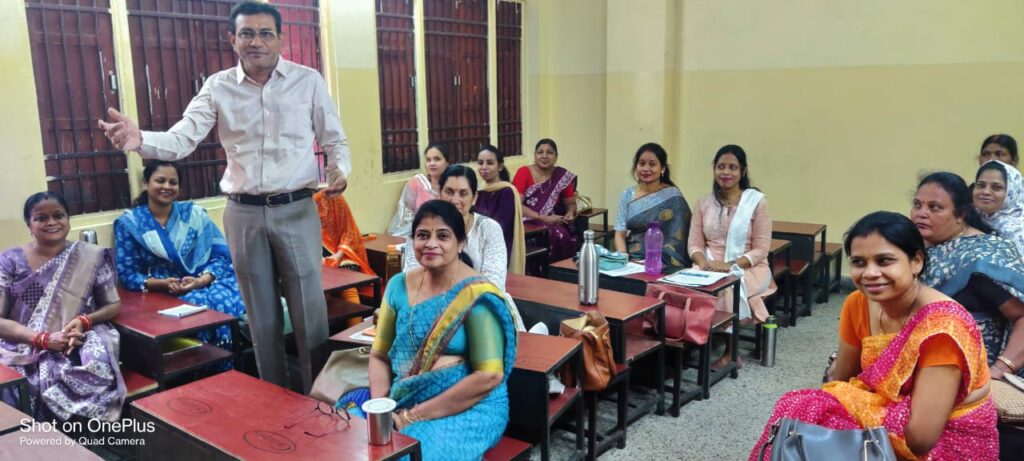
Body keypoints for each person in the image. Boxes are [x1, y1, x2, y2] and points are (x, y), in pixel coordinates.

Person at [98, 1, 350, 392]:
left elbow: (334, 139)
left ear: (281, 39)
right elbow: (183, 139)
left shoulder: (308, 80)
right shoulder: (218, 86)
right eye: (247, 33)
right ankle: (275, 397)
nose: (256, 41)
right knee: (261, 316)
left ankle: (320, 396)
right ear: (233, 39)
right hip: (243, 214)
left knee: (309, 311)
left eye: (265, 33)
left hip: (296, 208)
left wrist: (339, 169)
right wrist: (140, 139)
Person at [752, 211, 997, 461]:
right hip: (883, 425)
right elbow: (843, 379)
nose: (869, 273)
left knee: (808, 412)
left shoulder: (943, 327)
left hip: (947, 445)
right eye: (859, 262)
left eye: (884, 261)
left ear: (916, 262)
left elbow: (921, 439)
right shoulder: (858, 303)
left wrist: (858, 404)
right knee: (801, 411)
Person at [369, 200, 518, 460]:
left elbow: (489, 376)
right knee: (346, 436)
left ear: (460, 243)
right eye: (422, 235)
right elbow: (379, 355)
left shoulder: (475, 295)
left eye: (443, 236)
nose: (431, 243)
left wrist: (412, 416)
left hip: (470, 407)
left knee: (412, 455)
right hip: (402, 398)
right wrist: (383, 408)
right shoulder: (398, 286)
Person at [0, 193, 124, 421]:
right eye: (41, 218)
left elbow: (112, 304)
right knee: (16, 383)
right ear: (29, 225)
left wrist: (84, 321)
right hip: (22, 340)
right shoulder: (9, 261)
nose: (52, 222)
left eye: (58, 215)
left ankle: (79, 435)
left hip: (76, 336)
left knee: (96, 361)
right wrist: (43, 339)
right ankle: (31, 437)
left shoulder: (91, 256)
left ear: (68, 219)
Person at [114, 161, 246, 350]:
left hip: (205, 282)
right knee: (197, 305)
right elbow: (127, 274)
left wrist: (200, 281)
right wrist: (162, 283)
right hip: (159, 291)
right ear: (145, 183)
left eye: (173, 182)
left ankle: (225, 360)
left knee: (220, 300)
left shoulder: (194, 215)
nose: (167, 186)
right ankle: (208, 362)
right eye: (160, 181)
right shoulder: (130, 224)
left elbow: (222, 256)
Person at [913, 172, 1024, 380]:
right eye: (917, 205)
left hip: (975, 374)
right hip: (924, 362)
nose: (921, 213)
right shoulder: (916, 249)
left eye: (934, 207)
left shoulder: (982, 258)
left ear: (960, 215)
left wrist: (1001, 369)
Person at [688, 145, 775, 368]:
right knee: (687, 285)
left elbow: (761, 249)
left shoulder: (756, 203)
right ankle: (690, 345)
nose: (725, 172)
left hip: (749, 266)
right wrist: (704, 263)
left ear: (743, 171)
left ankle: (731, 352)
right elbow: (695, 244)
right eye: (721, 167)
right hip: (709, 262)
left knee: (728, 287)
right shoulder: (703, 203)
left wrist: (728, 265)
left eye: (732, 167)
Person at [403, 166, 508, 291]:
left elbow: (494, 282)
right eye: (449, 192)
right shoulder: (423, 227)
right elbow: (410, 276)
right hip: (429, 297)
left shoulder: (489, 229)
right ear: (439, 193)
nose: (455, 200)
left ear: (474, 198)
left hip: (481, 299)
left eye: (463, 193)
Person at [613, 142, 691, 271]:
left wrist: (657, 261)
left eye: (652, 164)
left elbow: (678, 237)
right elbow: (620, 234)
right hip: (632, 259)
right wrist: (623, 259)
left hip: (664, 263)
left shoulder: (673, 195)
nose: (646, 169)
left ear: (662, 168)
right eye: (641, 163)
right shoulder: (627, 194)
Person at [512, 138, 578, 262]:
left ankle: (559, 271)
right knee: (545, 236)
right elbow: (516, 205)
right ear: (534, 155)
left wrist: (570, 213)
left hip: (553, 222)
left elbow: (571, 204)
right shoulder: (524, 172)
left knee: (561, 235)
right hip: (527, 221)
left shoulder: (561, 176)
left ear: (556, 157)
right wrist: (542, 218)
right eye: (540, 152)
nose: (544, 156)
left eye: (550, 152)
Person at [314, 190, 375, 305]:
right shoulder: (297, 201)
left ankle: (358, 316)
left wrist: (337, 256)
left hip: (342, 256)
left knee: (346, 278)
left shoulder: (333, 195)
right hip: (313, 259)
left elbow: (349, 231)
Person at [475, 145, 525, 274]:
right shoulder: (480, 191)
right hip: (479, 247)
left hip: (498, 250)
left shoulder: (507, 191)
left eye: (490, 163)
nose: (484, 167)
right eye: (480, 163)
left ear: (500, 166)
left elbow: (502, 226)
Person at [388, 144, 449, 236]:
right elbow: (405, 219)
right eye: (428, 160)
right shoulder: (417, 183)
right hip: (417, 234)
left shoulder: (452, 186)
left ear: (447, 162)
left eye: (437, 159)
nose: (432, 163)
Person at [974, 160, 1024, 258]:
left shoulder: (1018, 232)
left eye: (997, 187)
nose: (986, 192)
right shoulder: (970, 217)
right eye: (981, 185)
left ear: (1012, 192)